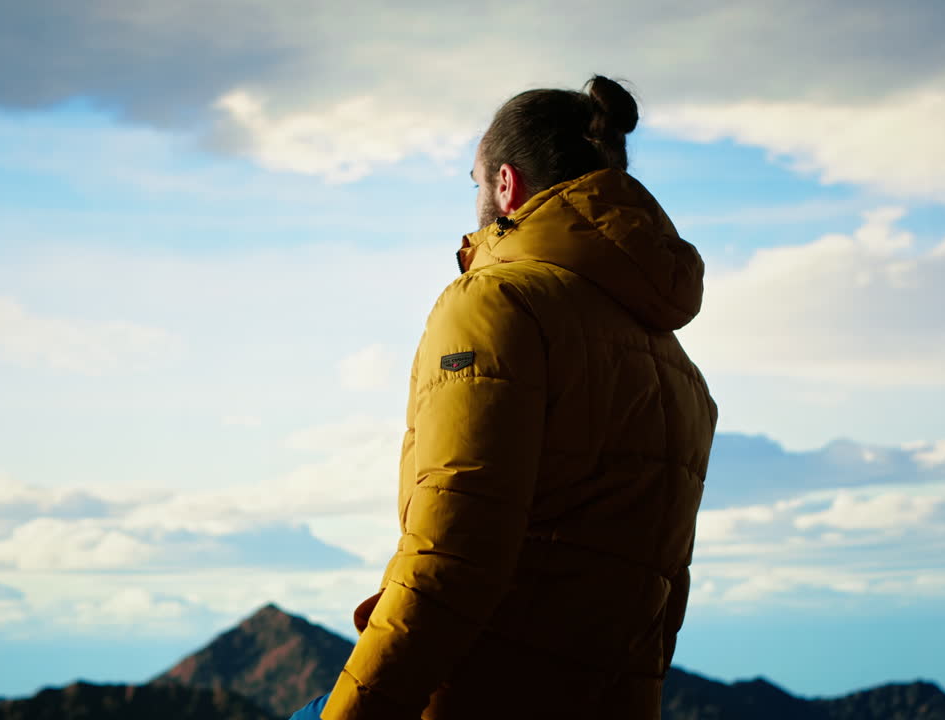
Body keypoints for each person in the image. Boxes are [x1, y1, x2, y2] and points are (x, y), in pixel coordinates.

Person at [292, 75, 718, 720]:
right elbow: (665, 600)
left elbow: (453, 555)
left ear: (506, 184)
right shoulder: (678, 369)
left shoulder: (497, 303)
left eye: (474, 182)